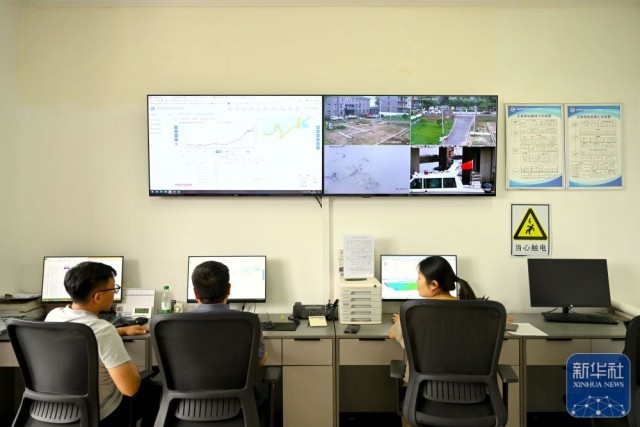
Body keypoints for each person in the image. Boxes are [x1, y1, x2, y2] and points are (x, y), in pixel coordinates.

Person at [45, 261, 158, 426]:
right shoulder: (103, 330)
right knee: (155, 392)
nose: (115, 293)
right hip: (100, 414)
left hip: (55, 411)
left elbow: (85, 333)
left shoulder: (53, 316)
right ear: (98, 297)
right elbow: (130, 388)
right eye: (113, 289)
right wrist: (132, 365)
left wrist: (121, 331)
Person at [388, 255, 476, 348]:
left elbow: (391, 333)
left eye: (419, 278)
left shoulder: (415, 313)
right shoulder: (471, 311)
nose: (416, 282)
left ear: (433, 285)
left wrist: (400, 321)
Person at [191, 260, 267, 366]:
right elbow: (259, 360)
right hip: (237, 378)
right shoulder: (250, 322)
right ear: (228, 289)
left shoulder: (174, 324)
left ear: (195, 293)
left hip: (189, 377)